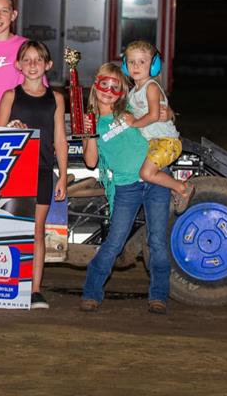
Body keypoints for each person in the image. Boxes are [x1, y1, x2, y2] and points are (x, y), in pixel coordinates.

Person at [79, 62, 172, 314]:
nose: (108, 90)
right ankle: (91, 292)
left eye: (115, 86)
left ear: (122, 92)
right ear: (95, 85)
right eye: (104, 84)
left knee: (157, 241)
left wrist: (167, 113)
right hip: (125, 187)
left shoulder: (130, 110)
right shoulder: (93, 122)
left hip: (155, 179)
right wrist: (89, 135)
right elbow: (90, 162)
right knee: (114, 241)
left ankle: (159, 295)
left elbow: (160, 111)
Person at [0, 40, 68, 309]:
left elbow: (60, 139)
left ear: (48, 65)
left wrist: (63, 176)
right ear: (18, 65)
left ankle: (35, 290)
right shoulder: (10, 96)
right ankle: (7, 283)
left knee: (37, 231)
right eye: (27, 59)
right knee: (10, 230)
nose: (33, 64)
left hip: (43, 171)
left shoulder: (56, 98)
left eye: (39, 60)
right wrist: (13, 129)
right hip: (13, 173)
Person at [121, 40, 194, 214]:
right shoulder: (132, 93)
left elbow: (154, 116)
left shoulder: (151, 87)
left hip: (166, 142)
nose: (136, 66)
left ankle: (182, 188)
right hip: (152, 143)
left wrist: (134, 123)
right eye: (131, 62)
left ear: (153, 66)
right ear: (125, 66)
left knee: (146, 174)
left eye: (142, 62)